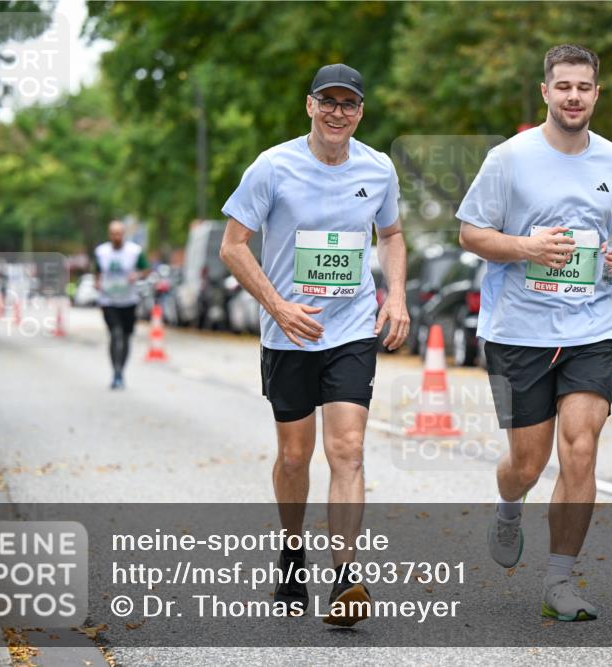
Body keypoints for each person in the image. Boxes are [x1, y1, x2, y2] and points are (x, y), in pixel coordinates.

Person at [457, 44, 612, 622]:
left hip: (591, 325)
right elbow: (470, 233)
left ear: (596, 93)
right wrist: (526, 247)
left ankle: (560, 582)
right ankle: (509, 502)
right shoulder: (509, 159)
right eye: (563, 86)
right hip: (520, 329)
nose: (573, 97)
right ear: (545, 92)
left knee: (581, 450)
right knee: (528, 464)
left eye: (584, 87)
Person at [220, 63, 407, 626]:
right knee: (295, 456)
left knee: (347, 450)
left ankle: (346, 576)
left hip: (351, 329)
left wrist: (395, 296)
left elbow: (392, 234)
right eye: (327, 102)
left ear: (360, 113)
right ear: (309, 106)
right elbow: (233, 246)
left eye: (348, 104)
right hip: (288, 334)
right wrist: (277, 305)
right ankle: (292, 550)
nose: (337, 113)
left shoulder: (378, 169)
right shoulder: (272, 167)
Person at [94, 221, 149, 389]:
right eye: (113, 234)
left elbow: (146, 270)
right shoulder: (101, 252)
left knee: (126, 337)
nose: (116, 237)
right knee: (115, 334)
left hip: (129, 300)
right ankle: (116, 371)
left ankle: (121, 370)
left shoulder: (134, 251)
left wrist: (137, 275)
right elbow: (96, 271)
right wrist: (97, 282)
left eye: (119, 234)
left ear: (123, 234)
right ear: (109, 235)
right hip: (108, 300)